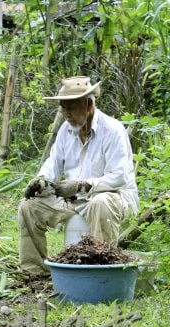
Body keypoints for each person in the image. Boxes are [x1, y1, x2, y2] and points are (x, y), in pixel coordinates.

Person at [19, 76, 139, 277]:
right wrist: (41, 180)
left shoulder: (112, 130)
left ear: (89, 105)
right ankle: (35, 272)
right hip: (75, 199)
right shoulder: (66, 131)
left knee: (100, 203)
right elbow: (53, 163)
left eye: (71, 107)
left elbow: (119, 177)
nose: (66, 114)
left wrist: (81, 185)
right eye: (63, 108)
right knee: (28, 206)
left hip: (113, 197)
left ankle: (101, 273)